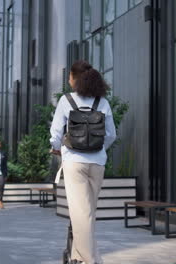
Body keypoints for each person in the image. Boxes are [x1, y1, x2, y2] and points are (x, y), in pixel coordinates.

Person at [50, 60, 116, 264]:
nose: (68, 80)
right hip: (97, 164)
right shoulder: (102, 102)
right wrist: (97, 149)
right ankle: (79, 256)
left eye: (69, 76)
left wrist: (57, 147)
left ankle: (90, 260)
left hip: (74, 162)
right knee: (87, 214)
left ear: (75, 78)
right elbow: (112, 135)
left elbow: (55, 134)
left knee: (80, 215)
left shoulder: (66, 100)